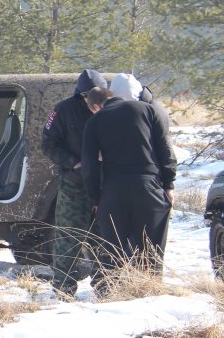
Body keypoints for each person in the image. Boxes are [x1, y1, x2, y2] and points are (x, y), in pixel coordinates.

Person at [81, 87, 177, 289]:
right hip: (149, 185)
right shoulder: (147, 109)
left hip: (113, 189)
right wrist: (169, 184)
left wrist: (96, 198)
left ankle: (111, 293)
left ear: (96, 106)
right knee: (151, 249)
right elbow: (165, 148)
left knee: (113, 250)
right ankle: (149, 290)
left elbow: (89, 166)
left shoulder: (95, 121)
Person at [41, 69, 107, 298]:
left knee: (104, 237)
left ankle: (105, 286)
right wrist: (73, 163)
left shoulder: (111, 109)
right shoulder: (63, 110)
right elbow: (48, 144)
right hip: (75, 184)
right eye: (88, 95)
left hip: (105, 184)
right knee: (68, 237)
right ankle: (64, 288)